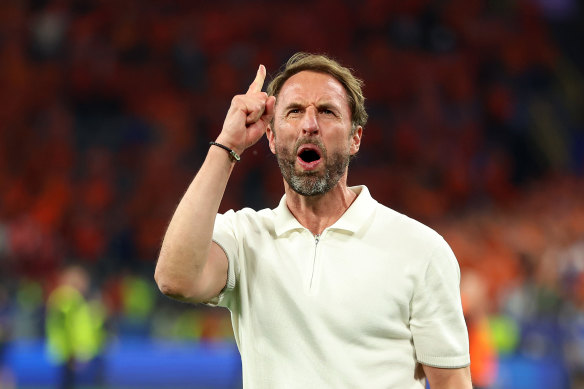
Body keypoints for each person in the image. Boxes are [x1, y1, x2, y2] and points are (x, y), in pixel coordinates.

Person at [155, 53, 472, 388]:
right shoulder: (244, 238)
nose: (309, 124)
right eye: (294, 111)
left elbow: (451, 382)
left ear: (355, 138)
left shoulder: (420, 249)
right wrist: (227, 146)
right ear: (272, 138)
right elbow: (174, 279)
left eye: (326, 111)